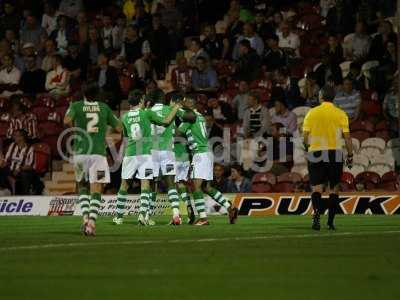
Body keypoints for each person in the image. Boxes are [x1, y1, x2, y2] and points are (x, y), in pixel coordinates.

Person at [113, 90, 182, 226]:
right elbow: (167, 121)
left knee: (124, 184)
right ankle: (142, 214)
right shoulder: (146, 113)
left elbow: (125, 135)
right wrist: (176, 107)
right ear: (140, 101)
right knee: (146, 184)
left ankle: (118, 217)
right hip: (146, 153)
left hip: (131, 153)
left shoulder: (125, 117)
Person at [64, 82, 122, 236]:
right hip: (98, 154)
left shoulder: (76, 105)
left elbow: (66, 121)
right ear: (98, 94)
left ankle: (84, 218)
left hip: (80, 153)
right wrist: (104, 127)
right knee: (97, 188)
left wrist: (76, 130)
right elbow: (119, 128)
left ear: (84, 93)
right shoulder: (104, 107)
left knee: (82, 185)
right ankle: (91, 223)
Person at [177, 95, 238, 225]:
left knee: (196, 187)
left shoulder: (190, 118)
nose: (182, 104)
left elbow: (178, 133)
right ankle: (230, 207)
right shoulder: (199, 116)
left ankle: (203, 218)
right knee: (207, 187)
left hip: (200, 154)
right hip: (207, 153)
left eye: (184, 102)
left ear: (189, 104)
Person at [303, 85, 353, 231]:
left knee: (317, 188)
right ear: (333, 97)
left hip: (316, 151)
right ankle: (330, 222)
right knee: (333, 188)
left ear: (321, 96)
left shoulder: (311, 113)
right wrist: (350, 155)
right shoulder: (341, 113)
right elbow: (347, 137)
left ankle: (316, 216)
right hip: (334, 152)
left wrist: (308, 148)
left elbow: (305, 137)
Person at [0, 129, 42, 195]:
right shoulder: (12, 145)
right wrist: (2, 163)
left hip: (22, 171)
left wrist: (19, 169)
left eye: (16, 135)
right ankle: (6, 190)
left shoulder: (30, 149)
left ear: (22, 137)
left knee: (25, 174)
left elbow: (30, 166)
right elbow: (6, 159)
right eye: (14, 135)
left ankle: (24, 195)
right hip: (9, 170)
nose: (14, 137)